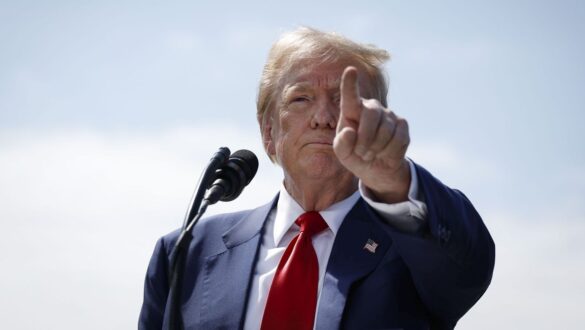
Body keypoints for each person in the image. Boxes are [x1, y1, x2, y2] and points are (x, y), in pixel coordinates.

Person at [139, 27, 495, 330]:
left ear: (376, 123)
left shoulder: (413, 245)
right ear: (268, 132)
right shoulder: (186, 253)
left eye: (344, 100)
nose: (323, 117)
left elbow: (469, 266)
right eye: (301, 98)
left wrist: (395, 179)